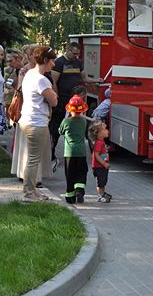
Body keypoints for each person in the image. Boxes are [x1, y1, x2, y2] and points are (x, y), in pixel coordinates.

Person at [19, 46, 58, 201]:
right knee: (33, 160)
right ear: (46, 61)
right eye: (53, 61)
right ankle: (28, 194)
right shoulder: (41, 80)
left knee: (31, 158)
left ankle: (32, 191)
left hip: (27, 120)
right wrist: (54, 95)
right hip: (37, 123)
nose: (54, 64)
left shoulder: (30, 74)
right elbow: (54, 101)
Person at [10, 44, 52, 187]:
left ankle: (33, 180)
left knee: (34, 152)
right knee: (31, 153)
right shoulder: (27, 71)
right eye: (32, 53)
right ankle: (29, 183)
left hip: (34, 113)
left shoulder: (40, 72)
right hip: (31, 113)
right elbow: (21, 89)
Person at [50, 43, 99, 159]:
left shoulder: (78, 63)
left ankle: (73, 153)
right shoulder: (59, 62)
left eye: (78, 54)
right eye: (74, 53)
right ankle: (51, 152)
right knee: (56, 127)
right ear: (68, 50)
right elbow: (53, 82)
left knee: (75, 125)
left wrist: (97, 80)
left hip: (76, 101)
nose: (76, 56)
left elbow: (84, 78)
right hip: (62, 99)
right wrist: (56, 96)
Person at [59, 94, 90, 204]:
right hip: (81, 152)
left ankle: (70, 197)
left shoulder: (66, 121)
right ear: (82, 110)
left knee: (70, 174)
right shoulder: (84, 121)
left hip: (69, 153)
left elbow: (61, 131)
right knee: (81, 172)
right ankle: (79, 190)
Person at [89, 119, 112, 203]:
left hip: (102, 166)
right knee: (101, 181)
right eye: (105, 129)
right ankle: (100, 195)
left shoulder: (101, 142)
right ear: (98, 133)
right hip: (99, 166)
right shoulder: (98, 143)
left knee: (103, 180)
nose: (107, 131)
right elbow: (96, 155)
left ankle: (102, 193)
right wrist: (104, 163)